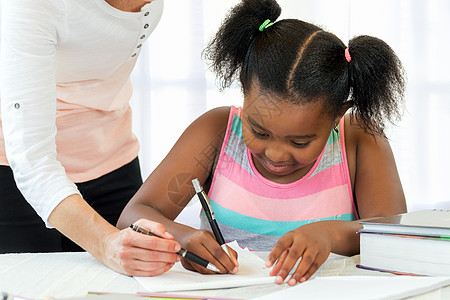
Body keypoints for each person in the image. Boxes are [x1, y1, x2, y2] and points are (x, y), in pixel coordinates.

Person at [117, 0, 408, 284]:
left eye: (299, 142)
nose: (276, 154)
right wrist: (183, 239)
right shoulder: (216, 133)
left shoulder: (360, 138)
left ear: (336, 116)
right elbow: (133, 214)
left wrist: (330, 235)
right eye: (259, 132)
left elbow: (395, 235)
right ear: (243, 92)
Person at [0, 0, 182, 277]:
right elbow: (32, 160)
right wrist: (106, 243)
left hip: (113, 159)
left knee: (135, 283)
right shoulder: (32, 5)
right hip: (16, 172)